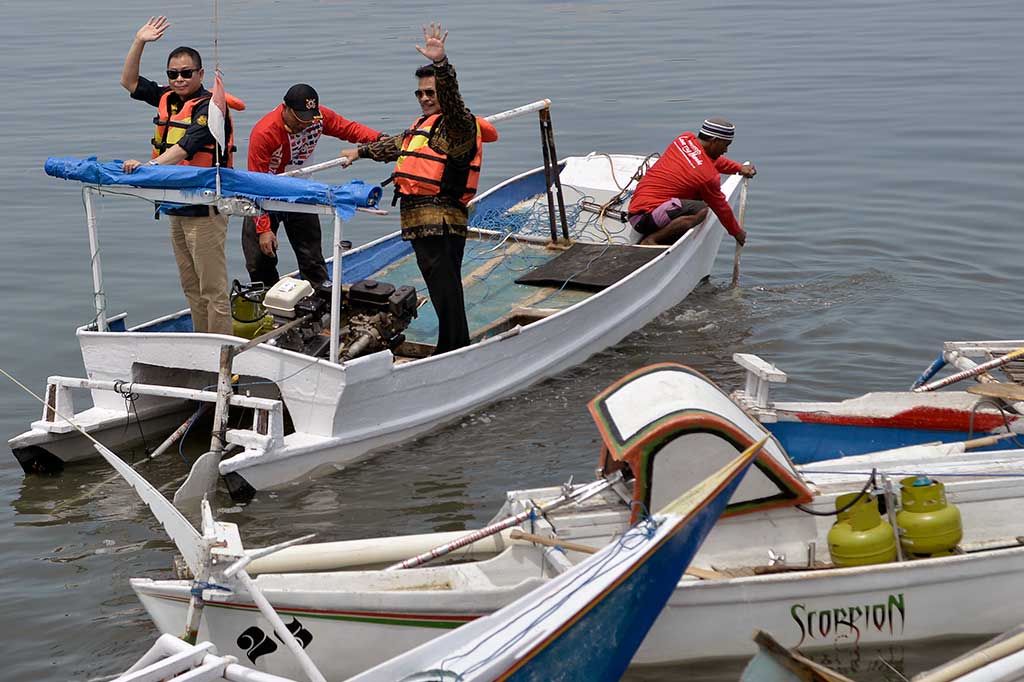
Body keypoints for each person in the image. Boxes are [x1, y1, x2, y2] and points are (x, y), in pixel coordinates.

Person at [339, 23, 498, 355]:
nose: (425, 98)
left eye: (431, 93)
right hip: (423, 222)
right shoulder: (424, 127)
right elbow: (397, 145)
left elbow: (453, 101)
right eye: (420, 93)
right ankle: (453, 344)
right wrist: (360, 152)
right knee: (444, 287)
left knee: (445, 288)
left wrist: (442, 65)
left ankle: (453, 349)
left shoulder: (457, 126)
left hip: (438, 221)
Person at [120, 16, 236, 335]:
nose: (180, 79)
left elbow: (185, 148)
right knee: (191, 288)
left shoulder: (210, 109)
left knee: (213, 290)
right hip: (175, 208)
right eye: (173, 74)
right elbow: (129, 82)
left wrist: (147, 168)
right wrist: (139, 40)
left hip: (206, 210)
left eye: (187, 73)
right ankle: (202, 347)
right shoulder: (167, 100)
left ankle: (224, 357)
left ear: (200, 74)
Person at [242, 84, 385, 288]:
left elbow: (348, 129)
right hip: (265, 197)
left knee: (312, 260)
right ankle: (268, 303)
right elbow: (254, 184)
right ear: (286, 108)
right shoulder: (264, 132)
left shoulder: (318, 119)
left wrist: (379, 138)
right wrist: (264, 228)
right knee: (259, 261)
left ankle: (321, 303)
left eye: (310, 117)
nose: (306, 124)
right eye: (300, 119)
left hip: (300, 193)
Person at [627, 117, 757, 247]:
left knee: (698, 196)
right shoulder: (708, 177)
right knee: (702, 209)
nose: (726, 150)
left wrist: (738, 168)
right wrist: (736, 232)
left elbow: (708, 160)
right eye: (725, 145)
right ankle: (652, 239)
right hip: (645, 219)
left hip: (635, 209)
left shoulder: (683, 140)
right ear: (714, 141)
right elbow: (721, 207)